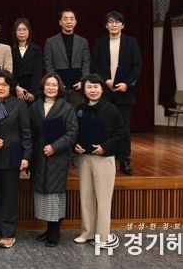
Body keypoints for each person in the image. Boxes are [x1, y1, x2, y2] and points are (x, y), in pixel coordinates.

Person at [73, 74, 125, 248]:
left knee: (103, 199)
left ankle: (102, 237)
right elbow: (73, 131)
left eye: (96, 86)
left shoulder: (111, 109)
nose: (92, 90)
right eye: (89, 87)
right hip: (83, 158)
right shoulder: (79, 109)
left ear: (102, 89)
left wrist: (105, 147)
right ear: (83, 89)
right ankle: (87, 232)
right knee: (85, 196)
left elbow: (121, 134)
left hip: (104, 159)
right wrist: (75, 144)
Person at [0, 70, 31, 249]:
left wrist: (26, 156)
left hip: (13, 155)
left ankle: (9, 233)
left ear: (10, 87)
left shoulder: (19, 104)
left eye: (4, 84)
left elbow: (26, 132)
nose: (0, 87)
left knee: (9, 196)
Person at [28, 73, 77, 247]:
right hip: (39, 156)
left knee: (55, 195)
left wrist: (55, 146)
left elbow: (72, 132)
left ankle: (55, 232)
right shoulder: (34, 107)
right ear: (43, 87)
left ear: (59, 87)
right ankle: (48, 229)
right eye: (48, 84)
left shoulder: (67, 107)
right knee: (43, 194)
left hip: (58, 157)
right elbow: (29, 132)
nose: (51, 88)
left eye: (54, 85)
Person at [91, 11, 142, 175]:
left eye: (117, 22)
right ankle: (106, 155)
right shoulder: (99, 43)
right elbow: (95, 65)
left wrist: (127, 84)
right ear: (106, 25)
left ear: (122, 25)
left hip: (124, 92)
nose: (114, 24)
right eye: (111, 22)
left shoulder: (131, 42)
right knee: (105, 126)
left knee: (124, 129)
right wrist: (105, 80)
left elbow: (137, 66)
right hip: (105, 92)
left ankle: (125, 161)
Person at [44, 8, 90, 106]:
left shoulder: (83, 42)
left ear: (75, 22)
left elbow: (86, 63)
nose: (69, 22)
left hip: (78, 87)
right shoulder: (50, 42)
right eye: (65, 19)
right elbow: (48, 63)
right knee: (59, 112)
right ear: (60, 22)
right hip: (58, 88)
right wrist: (55, 82)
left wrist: (83, 81)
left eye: (71, 19)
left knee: (77, 112)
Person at [11, 17, 44, 102]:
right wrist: (16, 87)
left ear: (29, 31)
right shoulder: (10, 50)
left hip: (32, 91)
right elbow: (9, 71)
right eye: (19, 30)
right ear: (15, 32)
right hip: (15, 90)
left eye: (25, 29)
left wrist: (32, 92)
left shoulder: (37, 49)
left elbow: (38, 72)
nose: (22, 32)